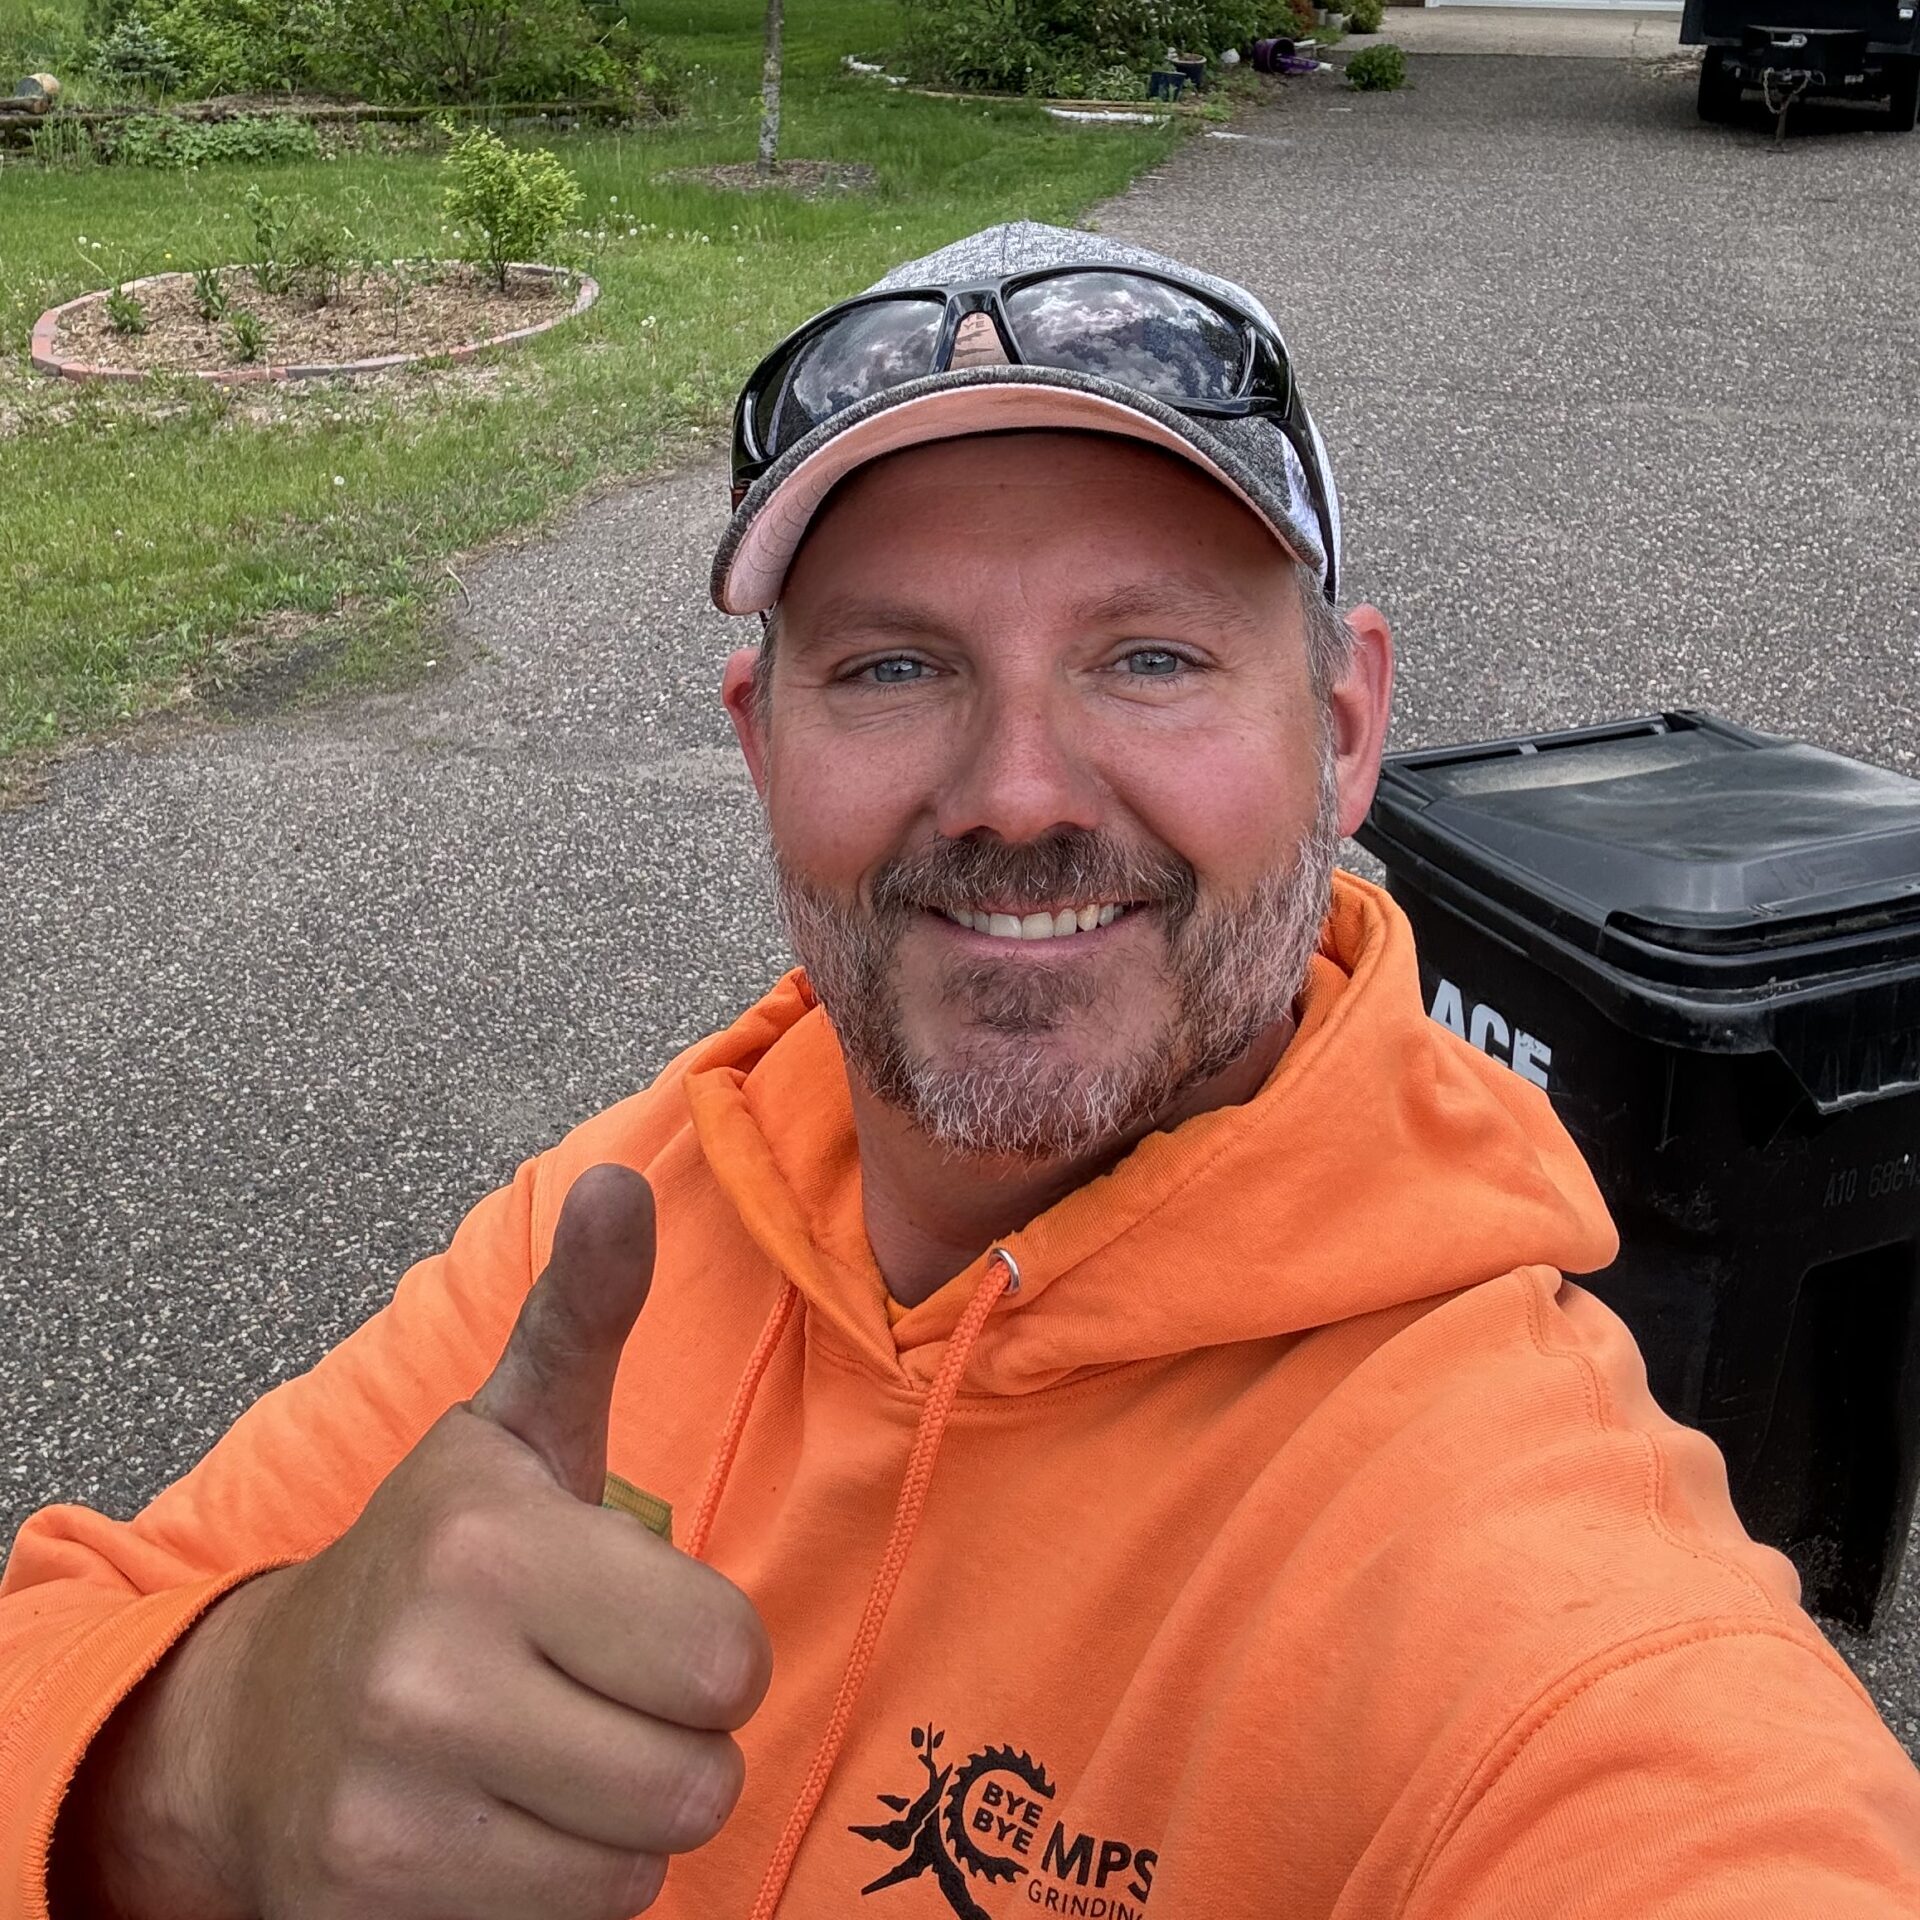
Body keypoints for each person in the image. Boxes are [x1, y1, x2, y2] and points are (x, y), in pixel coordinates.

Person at [3, 221, 1917, 1920]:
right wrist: (208, 1771)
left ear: (1344, 734)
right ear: (759, 742)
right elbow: (60, 1643)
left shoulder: (1532, 1582)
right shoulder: (646, 1212)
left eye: (1150, 658)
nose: (1015, 796)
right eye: (896, 669)